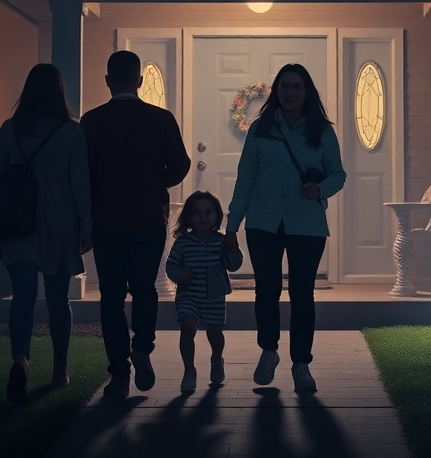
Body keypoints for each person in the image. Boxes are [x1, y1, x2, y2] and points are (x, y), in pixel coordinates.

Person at [225, 63, 346, 393]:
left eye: (296, 86)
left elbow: (338, 174)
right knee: (266, 289)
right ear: (276, 91)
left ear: (306, 91)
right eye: (284, 86)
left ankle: (301, 363)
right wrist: (232, 226)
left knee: (302, 293)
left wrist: (320, 189)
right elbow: (245, 180)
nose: (290, 92)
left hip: (307, 223)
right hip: (263, 222)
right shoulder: (260, 129)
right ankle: (268, 351)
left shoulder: (321, 130)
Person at [80, 50, 191, 399]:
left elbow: (82, 174)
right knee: (144, 288)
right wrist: (157, 184)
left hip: (107, 221)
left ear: (108, 81)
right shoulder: (161, 119)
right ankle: (142, 346)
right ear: (140, 81)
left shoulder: (91, 122)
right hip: (148, 218)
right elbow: (181, 164)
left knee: (111, 295)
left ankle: (119, 373)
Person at [0, 63, 93, 405]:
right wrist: (86, 226)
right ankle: (60, 370)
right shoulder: (72, 132)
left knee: (23, 295)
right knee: (59, 299)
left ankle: (21, 359)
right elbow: (80, 184)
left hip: (18, 223)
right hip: (59, 225)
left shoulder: (10, 129)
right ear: (58, 92)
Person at [165, 190, 244, 393]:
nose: (203, 217)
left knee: (214, 333)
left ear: (217, 215)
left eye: (208, 212)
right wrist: (179, 275)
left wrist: (233, 248)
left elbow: (233, 265)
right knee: (187, 327)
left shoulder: (221, 241)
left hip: (214, 297)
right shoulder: (183, 242)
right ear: (188, 216)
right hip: (188, 294)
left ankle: (217, 359)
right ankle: (189, 370)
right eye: (197, 213)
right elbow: (171, 265)